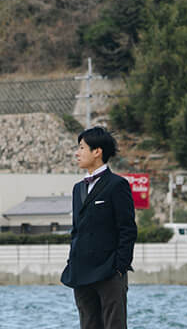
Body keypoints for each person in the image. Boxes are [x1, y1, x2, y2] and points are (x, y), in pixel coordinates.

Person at [61, 126, 137, 329]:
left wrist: (120, 267)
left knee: (114, 325)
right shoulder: (78, 188)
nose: (77, 153)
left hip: (109, 271)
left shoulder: (117, 185)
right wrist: (72, 261)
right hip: (81, 270)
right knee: (88, 324)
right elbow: (77, 230)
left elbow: (127, 229)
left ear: (97, 152)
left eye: (82, 148)